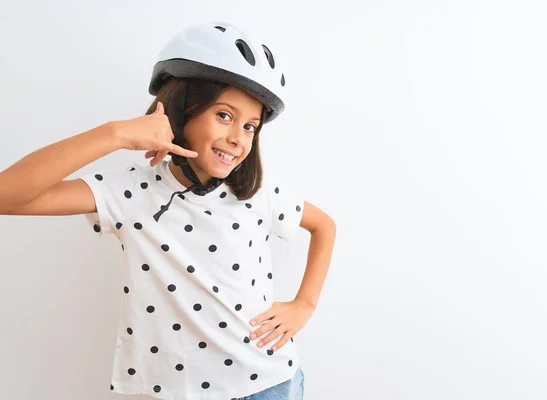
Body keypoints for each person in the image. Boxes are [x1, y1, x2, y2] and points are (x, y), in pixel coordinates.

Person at [0, 21, 336, 400]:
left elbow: (324, 226)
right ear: (181, 111)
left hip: (269, 384)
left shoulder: (258, 192)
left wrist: (303, 305)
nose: (237, 138)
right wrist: (117, 134)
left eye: (250, 127)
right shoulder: (127, 191)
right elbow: (5, 195)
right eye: (224, 116)